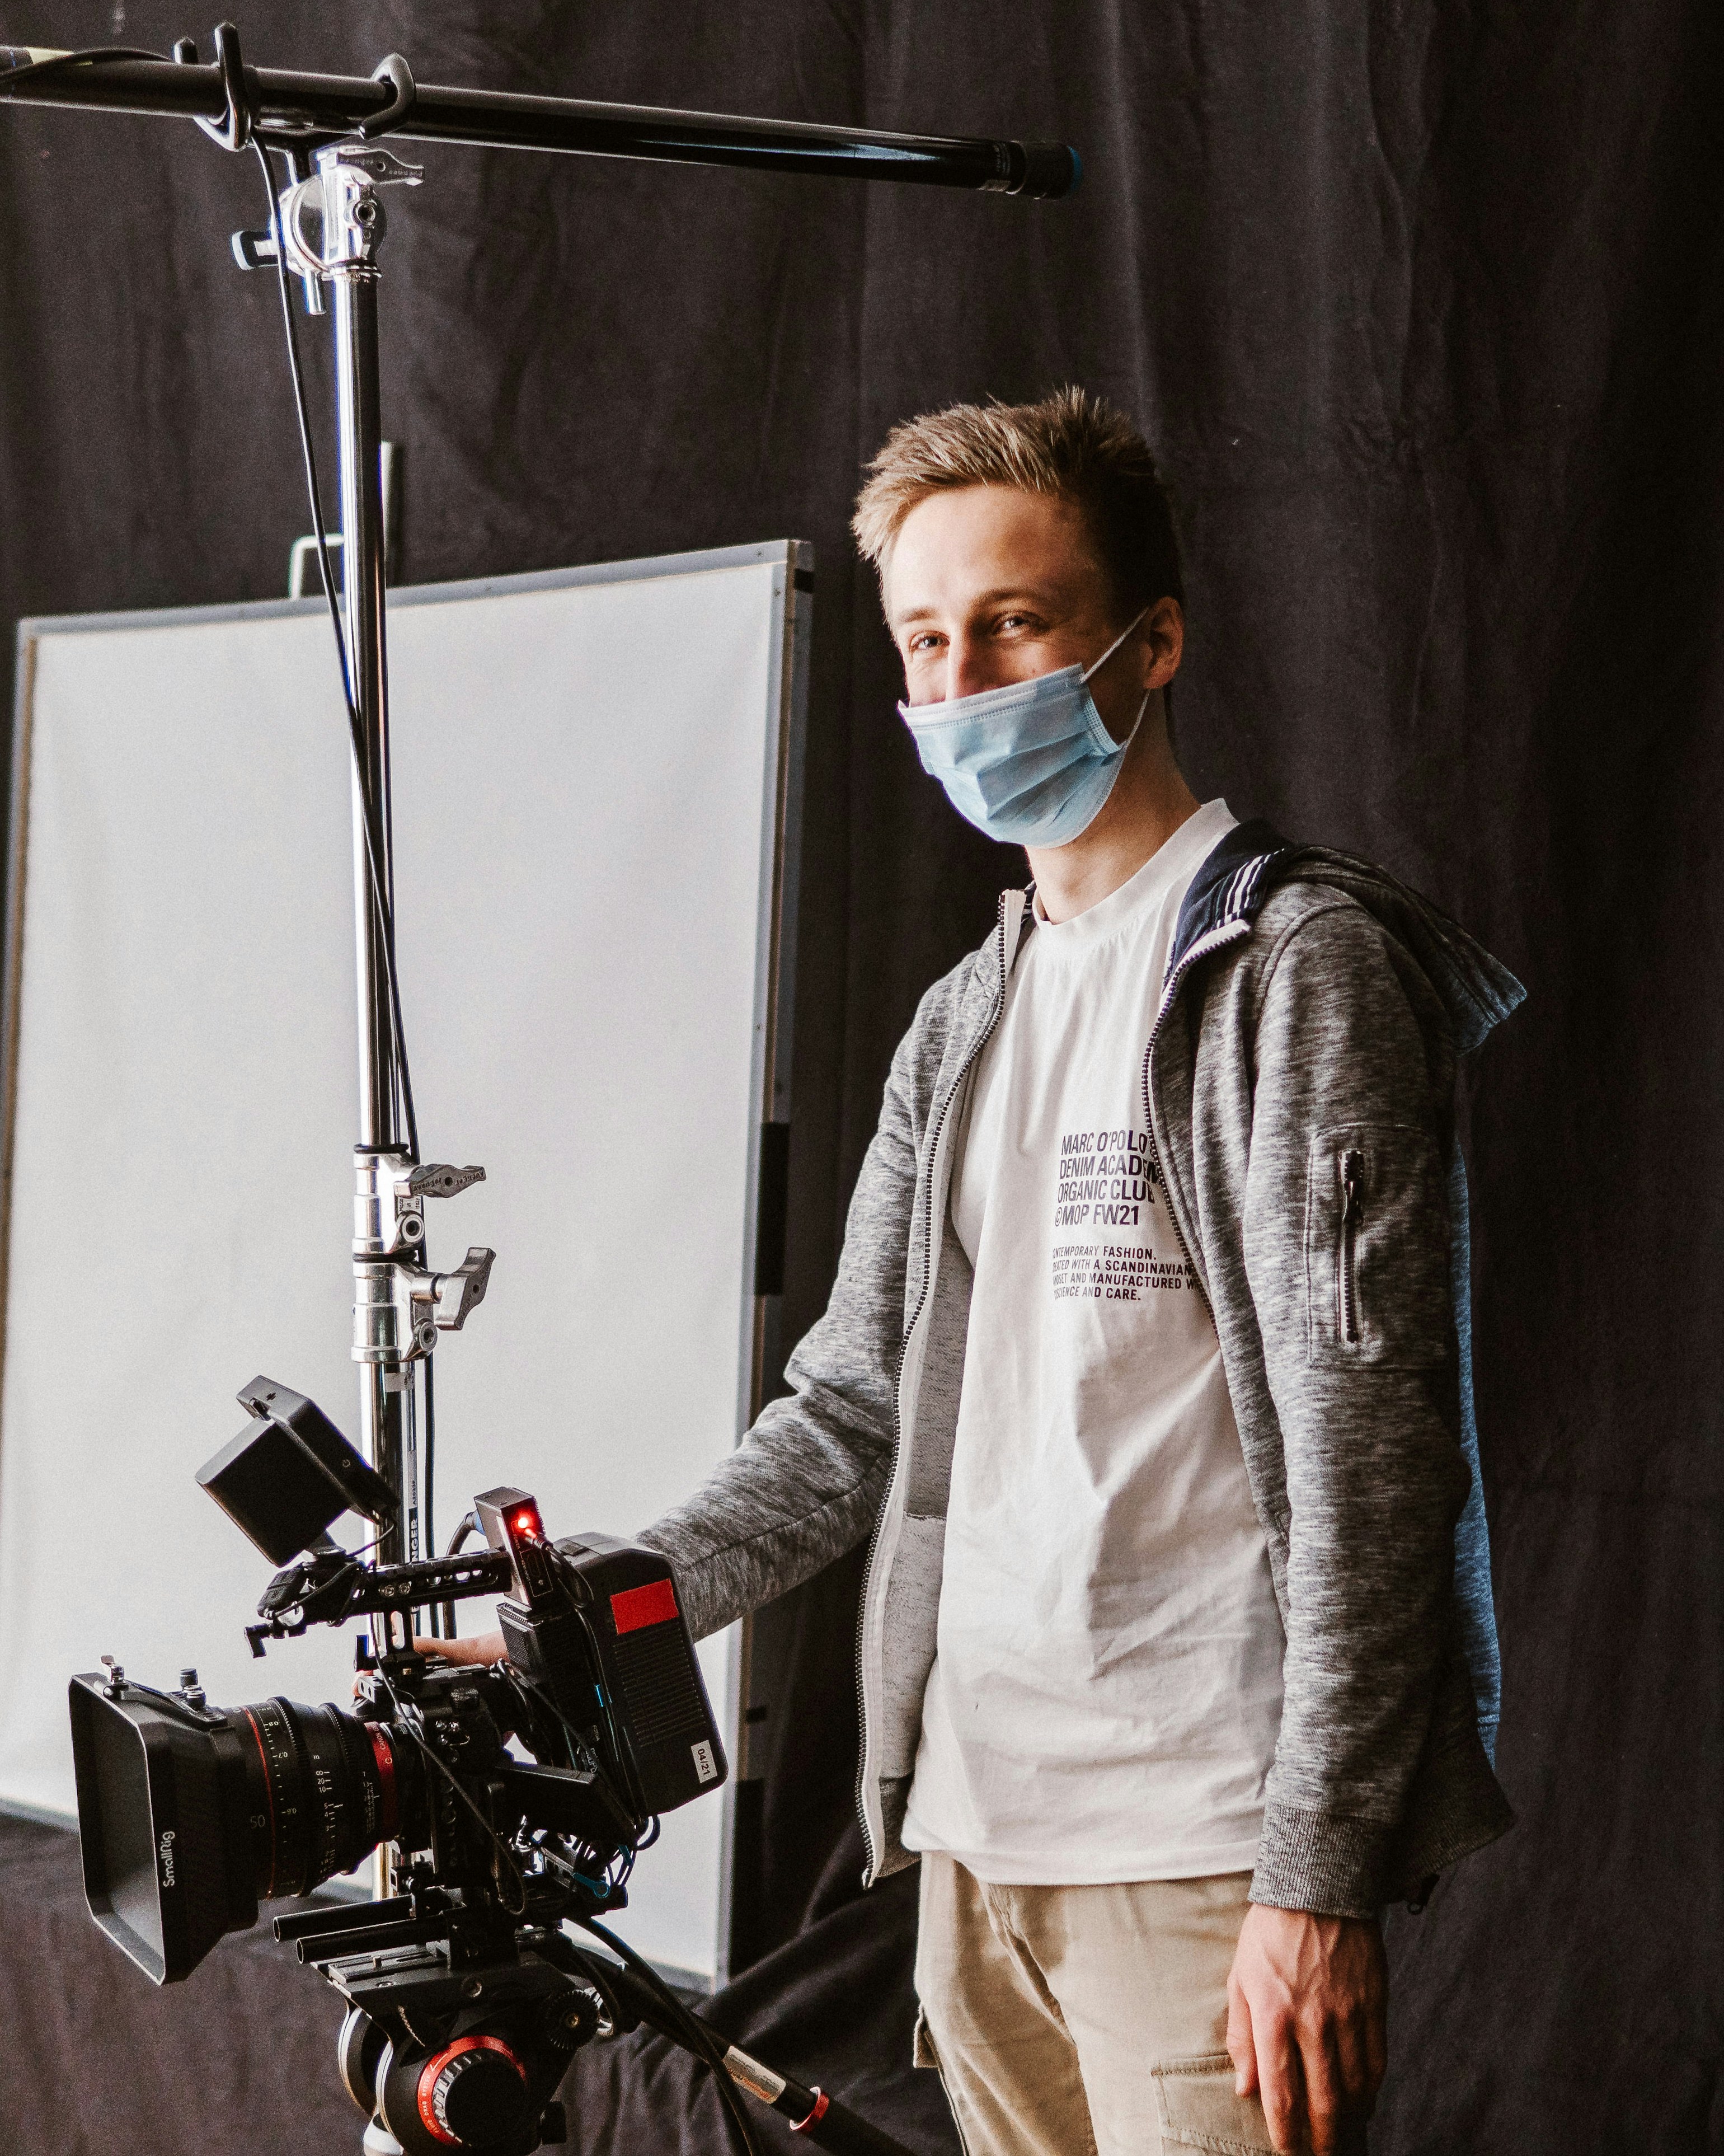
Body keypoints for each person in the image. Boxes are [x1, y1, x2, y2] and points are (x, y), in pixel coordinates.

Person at [431, 388, 1520, 2156]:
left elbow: (1371, 1468)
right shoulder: (965, 1019)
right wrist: (588, 1612)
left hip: (1203, 1853)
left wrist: (1315, 1877)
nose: (964, 681)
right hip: (972, 1846)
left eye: (1013, 621)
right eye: (927, 640)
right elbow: (845, 1416)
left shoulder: (1290, 972)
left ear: (1150, 640)